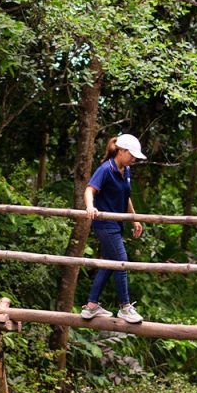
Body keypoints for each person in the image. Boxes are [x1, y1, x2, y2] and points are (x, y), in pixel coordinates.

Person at [80, 133, 146, 323]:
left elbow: (126, 197)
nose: (133, 159)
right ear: (121, 151)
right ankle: (125, 307)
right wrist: (90, 207)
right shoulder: (105, 169)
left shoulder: (125, 171)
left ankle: (91, 306)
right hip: (104, 224)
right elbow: (89, 189)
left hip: (117, 224)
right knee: (121, 260)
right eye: (131, 155)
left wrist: (134, 219)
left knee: (109, 263)